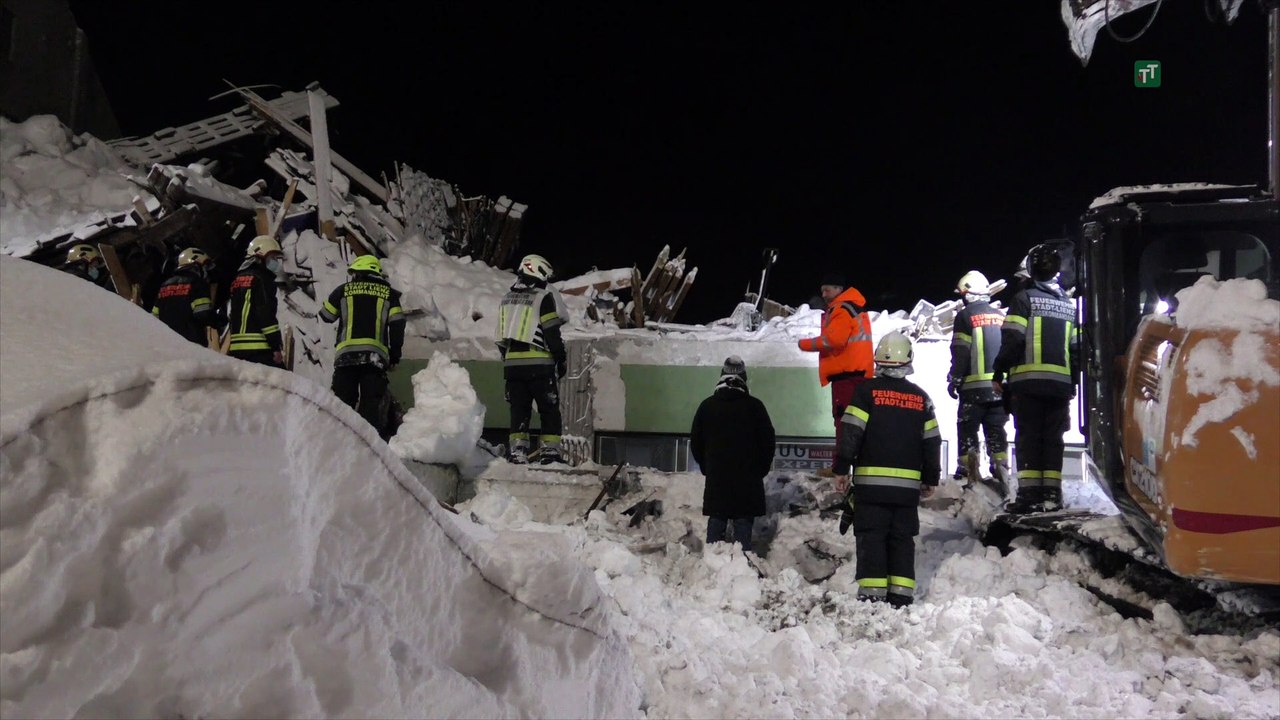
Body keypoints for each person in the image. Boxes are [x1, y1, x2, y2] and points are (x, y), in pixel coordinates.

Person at [833, 331, 941, 608]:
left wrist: (841, 468)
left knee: (872, 536)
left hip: (871, 488)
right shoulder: (921, 398)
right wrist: (930, 478)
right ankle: (901, 596)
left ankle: (872, 597)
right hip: (906, 492)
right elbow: (932, 442)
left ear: (878, 359)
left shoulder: (866, 392)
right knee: (902, 540)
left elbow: (851, 432)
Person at [992, 243, 1080, 514]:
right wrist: (1073, 382)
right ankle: (1052, 494)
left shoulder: (1023, 299)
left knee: (1029, 438)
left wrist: (999, 371)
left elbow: (1013, 339)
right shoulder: (1068, 304)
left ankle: (1030, 496)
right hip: (1060, 387)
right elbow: (1076, 349)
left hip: (1028, 385)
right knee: (1053, 440)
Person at [689, 356, 776, 553]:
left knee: (717, 519)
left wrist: (707, 467)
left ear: (721, 377)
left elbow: (696, 442)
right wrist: (759, 470)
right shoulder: (755, 407)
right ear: (744, 379)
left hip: (717, 478)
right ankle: (741, 568)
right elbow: (768, 443)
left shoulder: (707, 406)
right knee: (743, 523)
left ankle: (712, 566)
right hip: (747, 480)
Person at [319, 254, 406, 438]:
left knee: (342, 404)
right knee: (371, 406)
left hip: (346, 357)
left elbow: (326, 316)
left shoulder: (343, 290)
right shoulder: (389, 294)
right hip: (374, 358)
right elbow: (398, 323)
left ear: (357, 273)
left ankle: (339, 440)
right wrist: (395, 353)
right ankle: (368, 446)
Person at [796, 272, 874, 473]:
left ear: (839, 289)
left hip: (846, 375)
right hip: (857, 374)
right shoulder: (854, 307)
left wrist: (804, 344)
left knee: (843, 421)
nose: (823, 293)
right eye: (822, 289)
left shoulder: (841, 309)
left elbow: (834, 340)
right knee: (856, 423)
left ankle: (839, 469)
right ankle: (855, 465)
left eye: (827, 289)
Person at [496, 253, 569, 464]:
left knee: (519, 410)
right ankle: (550, 453)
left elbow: (500, 336)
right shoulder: (543, 297)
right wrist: (560, 357)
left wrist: (509, 360)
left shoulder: (506, 299)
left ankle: (518, 452)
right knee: (549, 409)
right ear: (539, 271)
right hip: (539, 365)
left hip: (512, 367)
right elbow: (551, 331)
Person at [947, 270, 1009, 481]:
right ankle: (1001, 469)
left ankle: (967, 473)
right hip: (998, 389)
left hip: (973, 390)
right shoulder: (1001, 316)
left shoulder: (965, 317)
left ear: (968, 294)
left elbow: (961, 351)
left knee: (967, 430)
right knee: (996, 431)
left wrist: (954, 378)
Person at [227, 235, 285, 367]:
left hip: (236, 348)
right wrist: (275, 346)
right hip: (259, 347)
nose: (275, 262)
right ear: (260, 257)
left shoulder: (237, 279)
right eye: (272, 258)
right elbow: (265, 313)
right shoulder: (262, 279)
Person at [151, 247, 226, 346]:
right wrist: (220, 321)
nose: (206, 272)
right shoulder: (197, 283)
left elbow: (155, 316)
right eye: (205, 267)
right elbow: (203, 314)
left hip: (169, 343)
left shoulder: (165, 285)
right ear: (196, 266)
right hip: (192, 342)